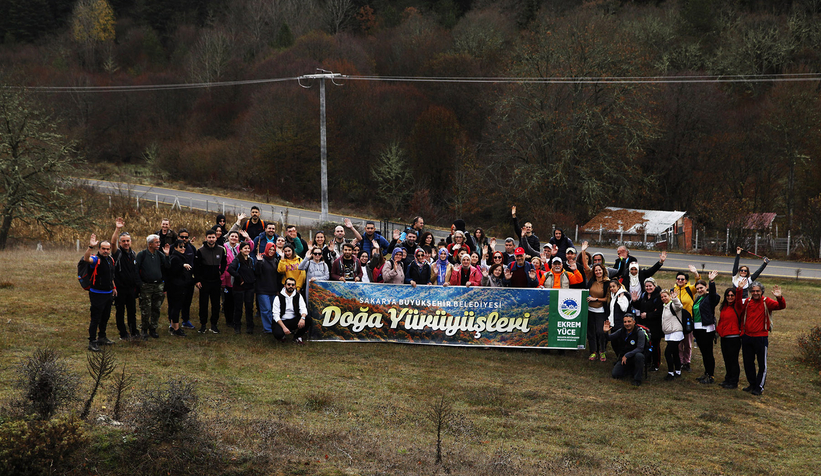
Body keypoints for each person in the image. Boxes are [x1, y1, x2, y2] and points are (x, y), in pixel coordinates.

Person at [736, 280, 786, 396]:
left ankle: (759, 386)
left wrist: (779, 297)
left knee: (762, 364)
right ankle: (752, 384)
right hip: (747, 337)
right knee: (748, 363)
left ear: (761, 291)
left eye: (757, 291)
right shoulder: (747, 302)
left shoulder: (766, 301)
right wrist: (739, 290)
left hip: (761, 337)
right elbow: (738, 306)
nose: (755, 293)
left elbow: (781, 306)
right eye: (753, 291)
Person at [82, 234, 116, 352]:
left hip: (108, 293)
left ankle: (102, 337)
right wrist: (90, 246)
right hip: (97, 293)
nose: (106, 251)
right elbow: (86, 259)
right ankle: (92, 341)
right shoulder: (96, 259)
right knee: (95, 318)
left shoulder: (110, 260)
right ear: (99, 249)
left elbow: (111, 275)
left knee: (105, 316)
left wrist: (114, 287)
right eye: (103, 249)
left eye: (108, 249)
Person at [135, 234, 170, 339]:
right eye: (156, 242)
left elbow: (168, 267)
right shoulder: (142, 255)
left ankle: (153, 329)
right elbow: (136, 271)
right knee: (146, 309)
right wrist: (140, 284)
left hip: (158, 285)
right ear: (150, 244)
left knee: (156, 308)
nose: (159, 244)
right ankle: (144, 329)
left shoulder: (160, 254)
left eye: (159, 242)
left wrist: (167, 255)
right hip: (146, 286)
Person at [110, 218, 139, 340]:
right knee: (120, 311)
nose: (126, 243)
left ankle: (134, 331)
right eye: (123, 241)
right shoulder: (118, 253)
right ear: (120, 243)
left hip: (131, 288)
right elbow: (112, 244)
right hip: (120, 289)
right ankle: (123, 333)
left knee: (132, 311)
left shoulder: (133, 254)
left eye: (128, 241)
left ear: (130, 241)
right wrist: (117, 229)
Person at [194, 229, 227, 334]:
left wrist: (220, 272)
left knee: (216, 304)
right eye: (209, 237)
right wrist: (197, 280)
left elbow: (224, 262)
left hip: (216, 281)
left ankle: (214, 325)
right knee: (203, 304)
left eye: (213, 237)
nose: (211, 239)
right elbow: (196, 267)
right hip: (204, 281)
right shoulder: (200, 250)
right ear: (206, 238)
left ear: (216, 238)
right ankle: (203, 325)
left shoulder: (221, 250)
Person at [692, 272, 721, 384]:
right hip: (698, 329)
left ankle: (711, 375)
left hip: (707, 329)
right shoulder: (698, 299)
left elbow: (714, 295)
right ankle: (706, 373)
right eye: (698, 288)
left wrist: (712, 281)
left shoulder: (711, 298)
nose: (699, 290)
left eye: (701, 288)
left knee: (708, 353)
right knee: (704, 352)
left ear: (706, 287)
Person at [221, 230, 253, 328]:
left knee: (237, 301)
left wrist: (248, 238)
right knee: (228, 300)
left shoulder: (240, 247)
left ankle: (237, 319)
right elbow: (222, 264)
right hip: (227, 276)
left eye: (236, 236)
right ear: (228, 237)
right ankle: (229, 320)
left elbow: (250, 247)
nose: (234, 238)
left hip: (239, 277)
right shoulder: (224, 248)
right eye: (232, 236)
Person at [603, 314, 646, 386]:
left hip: (634, 356)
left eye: (629, 321)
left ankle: (637, 379)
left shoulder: (639, 332)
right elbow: (609, 338)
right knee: (615, 374)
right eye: (625, 322)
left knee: (639, 356)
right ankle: (630, 370)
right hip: (624, 358)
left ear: (634, 322)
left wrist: (627, 355)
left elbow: (640, 348)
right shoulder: (622, 330)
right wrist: (605, 332)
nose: (627, 324)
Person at [674, 266, 700, 372]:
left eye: (682, 279)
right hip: (677, 321)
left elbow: (698, 283)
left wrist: (695, 273)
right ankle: (680, 362)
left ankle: (687, 362)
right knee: (679, 343)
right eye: (678, 279)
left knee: (688, 343)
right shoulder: (673, 290)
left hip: (688, 321)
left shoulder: (690, 289)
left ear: (686, 281)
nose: (680, 281)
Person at [166, 239, 193, 337]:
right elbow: (173, 270)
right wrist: (182, 265)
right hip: (176, 286)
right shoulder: (175, 258)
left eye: (184, 246)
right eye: (180, 246)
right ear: (176, 247)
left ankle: (173, 326)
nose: (183, 248)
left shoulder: (180, 256)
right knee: (176, 307)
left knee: (175, 307)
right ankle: (176, 328)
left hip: (179, 285)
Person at [228, 241, 256, 334]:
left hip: (250, 287)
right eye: (245, 248)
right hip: (239, 288)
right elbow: (230, 269)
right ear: (240, 250)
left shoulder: (251, 260)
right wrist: (239, 277)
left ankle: (250, 326)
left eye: (248, 248)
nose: (247, 250)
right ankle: (237, 326)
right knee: (238, 307)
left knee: (249, 307)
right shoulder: (237, 260)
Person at [716, 287, 742, 389]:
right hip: (724, 336)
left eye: (732, 295)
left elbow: (739, 299)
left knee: (733, 360)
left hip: (734, 337)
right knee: (726, 359)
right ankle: (728, 378)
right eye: (728, 295)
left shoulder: (738, 306)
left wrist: (739, 289)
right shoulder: (724, 307)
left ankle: (734, 381)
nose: (730, 297)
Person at [636, 277, 663, 371]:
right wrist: (634, 300)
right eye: (646, 286)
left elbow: (660, 311)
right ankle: (647, 361)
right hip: (645, 325)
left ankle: (656, 364)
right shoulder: (644, 295)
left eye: (650, 286)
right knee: (646, 344)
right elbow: (639, 306)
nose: (648, 288)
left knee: (655, 345)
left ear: (654, 286)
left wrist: (648, 315)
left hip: (656, 326)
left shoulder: (659, 297)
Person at [272, 277, 311, 345]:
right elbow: (275, 315)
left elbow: (303, 309)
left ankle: (297, 337)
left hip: (294, 320)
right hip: (282, 321)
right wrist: (284, 328)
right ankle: (282, 335)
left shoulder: (298, 296)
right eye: (289, 284)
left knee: (308, 319)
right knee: (278, 334)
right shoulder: (278, 298)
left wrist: (302, 318)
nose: (291, 286)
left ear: (295, 286)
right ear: (285, 286)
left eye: (293, 285)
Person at [255, 242, 281, 334]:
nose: (271, 251)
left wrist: (277, 289)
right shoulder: (261, 258)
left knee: (273, 310)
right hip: (262, 289)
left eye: (273, 250)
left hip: (273, 289)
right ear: (266, 249)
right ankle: (268, 328)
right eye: (270, 249)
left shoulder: (275, 260)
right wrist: (258, 262)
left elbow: (277, 276)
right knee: (266, 309)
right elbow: (257, 273)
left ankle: (274, 326)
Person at [585, 263, 610, 362]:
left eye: (600, 270)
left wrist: (596, 299)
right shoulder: (592, 281)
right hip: (590, 310)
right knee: (591, 332)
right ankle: (593, 351)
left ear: (603, 270)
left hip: (601, 310)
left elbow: (607, 298)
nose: (598, 272)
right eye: (596, 270)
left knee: (601, 332)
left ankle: (602, 350)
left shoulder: (607, 283)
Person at [660, 289, 684, 381]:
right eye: (662, 297)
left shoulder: (672, 304)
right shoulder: (664, 306)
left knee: (667, 353)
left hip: (676, 332)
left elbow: (679, 306)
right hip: (669, 333)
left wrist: (675, 299)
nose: (663, 298)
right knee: (675, 352)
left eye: (665, 296)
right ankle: (678, 371)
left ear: (669, 296)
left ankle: (670, 372)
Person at [175, 228, 197, 330]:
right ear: (178, 237)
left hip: (189, 280)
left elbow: (196, 264)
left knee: (187, 301)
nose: (184, 239)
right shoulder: (173, 248)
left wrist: (195, 278)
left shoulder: (191, 248)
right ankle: (173, 322)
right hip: (177, 280)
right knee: (176, 303)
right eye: (182, 237)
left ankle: (185, 320)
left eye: (186, 237)